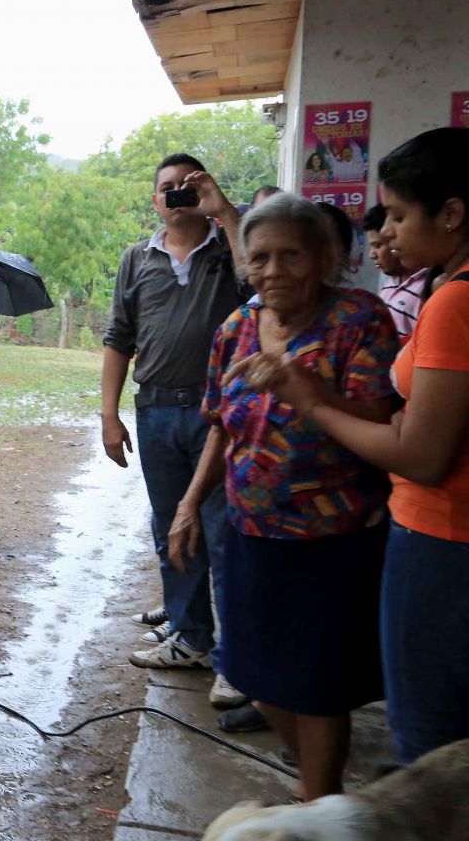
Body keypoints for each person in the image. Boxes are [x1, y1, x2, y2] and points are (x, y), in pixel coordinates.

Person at [250, 128, 469, 766]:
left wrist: (312, 402)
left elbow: (422, 454)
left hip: (440, 535)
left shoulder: (450, 303)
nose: (388, 232)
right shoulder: (444, 291)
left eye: (399, 214)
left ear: (451, 214)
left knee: (430, 739)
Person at [169, 192, 399, 801]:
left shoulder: (360, 320)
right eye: (260, 258)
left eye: (290, 256)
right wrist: (191, 503)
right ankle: (315, 788)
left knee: (317, 686)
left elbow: (381, 418)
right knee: (256, 677)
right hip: (248, 532)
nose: (273, 271)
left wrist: (306, 390)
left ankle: (317, 798)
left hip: (334, 540)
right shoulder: (237, 328)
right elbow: (220, 422)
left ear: (325, 258)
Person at [101, 154, 250, 709]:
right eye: (167, 188)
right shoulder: (136, 259)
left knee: (222, 531)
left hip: (218, 416)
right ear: (154, 199)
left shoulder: (228, 247)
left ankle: (235, 660)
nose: (175, 195)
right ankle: (191, 637)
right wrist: (109, 415)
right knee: (172, 530)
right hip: (157, 410)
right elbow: (120, 337)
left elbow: (259, 281)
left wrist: (225, 210)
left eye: (187, 186)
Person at [366, 204, 435, 345]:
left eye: (377, 246)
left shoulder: (429, 286)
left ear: (395, 243)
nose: (371, 255)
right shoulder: (390, 281)